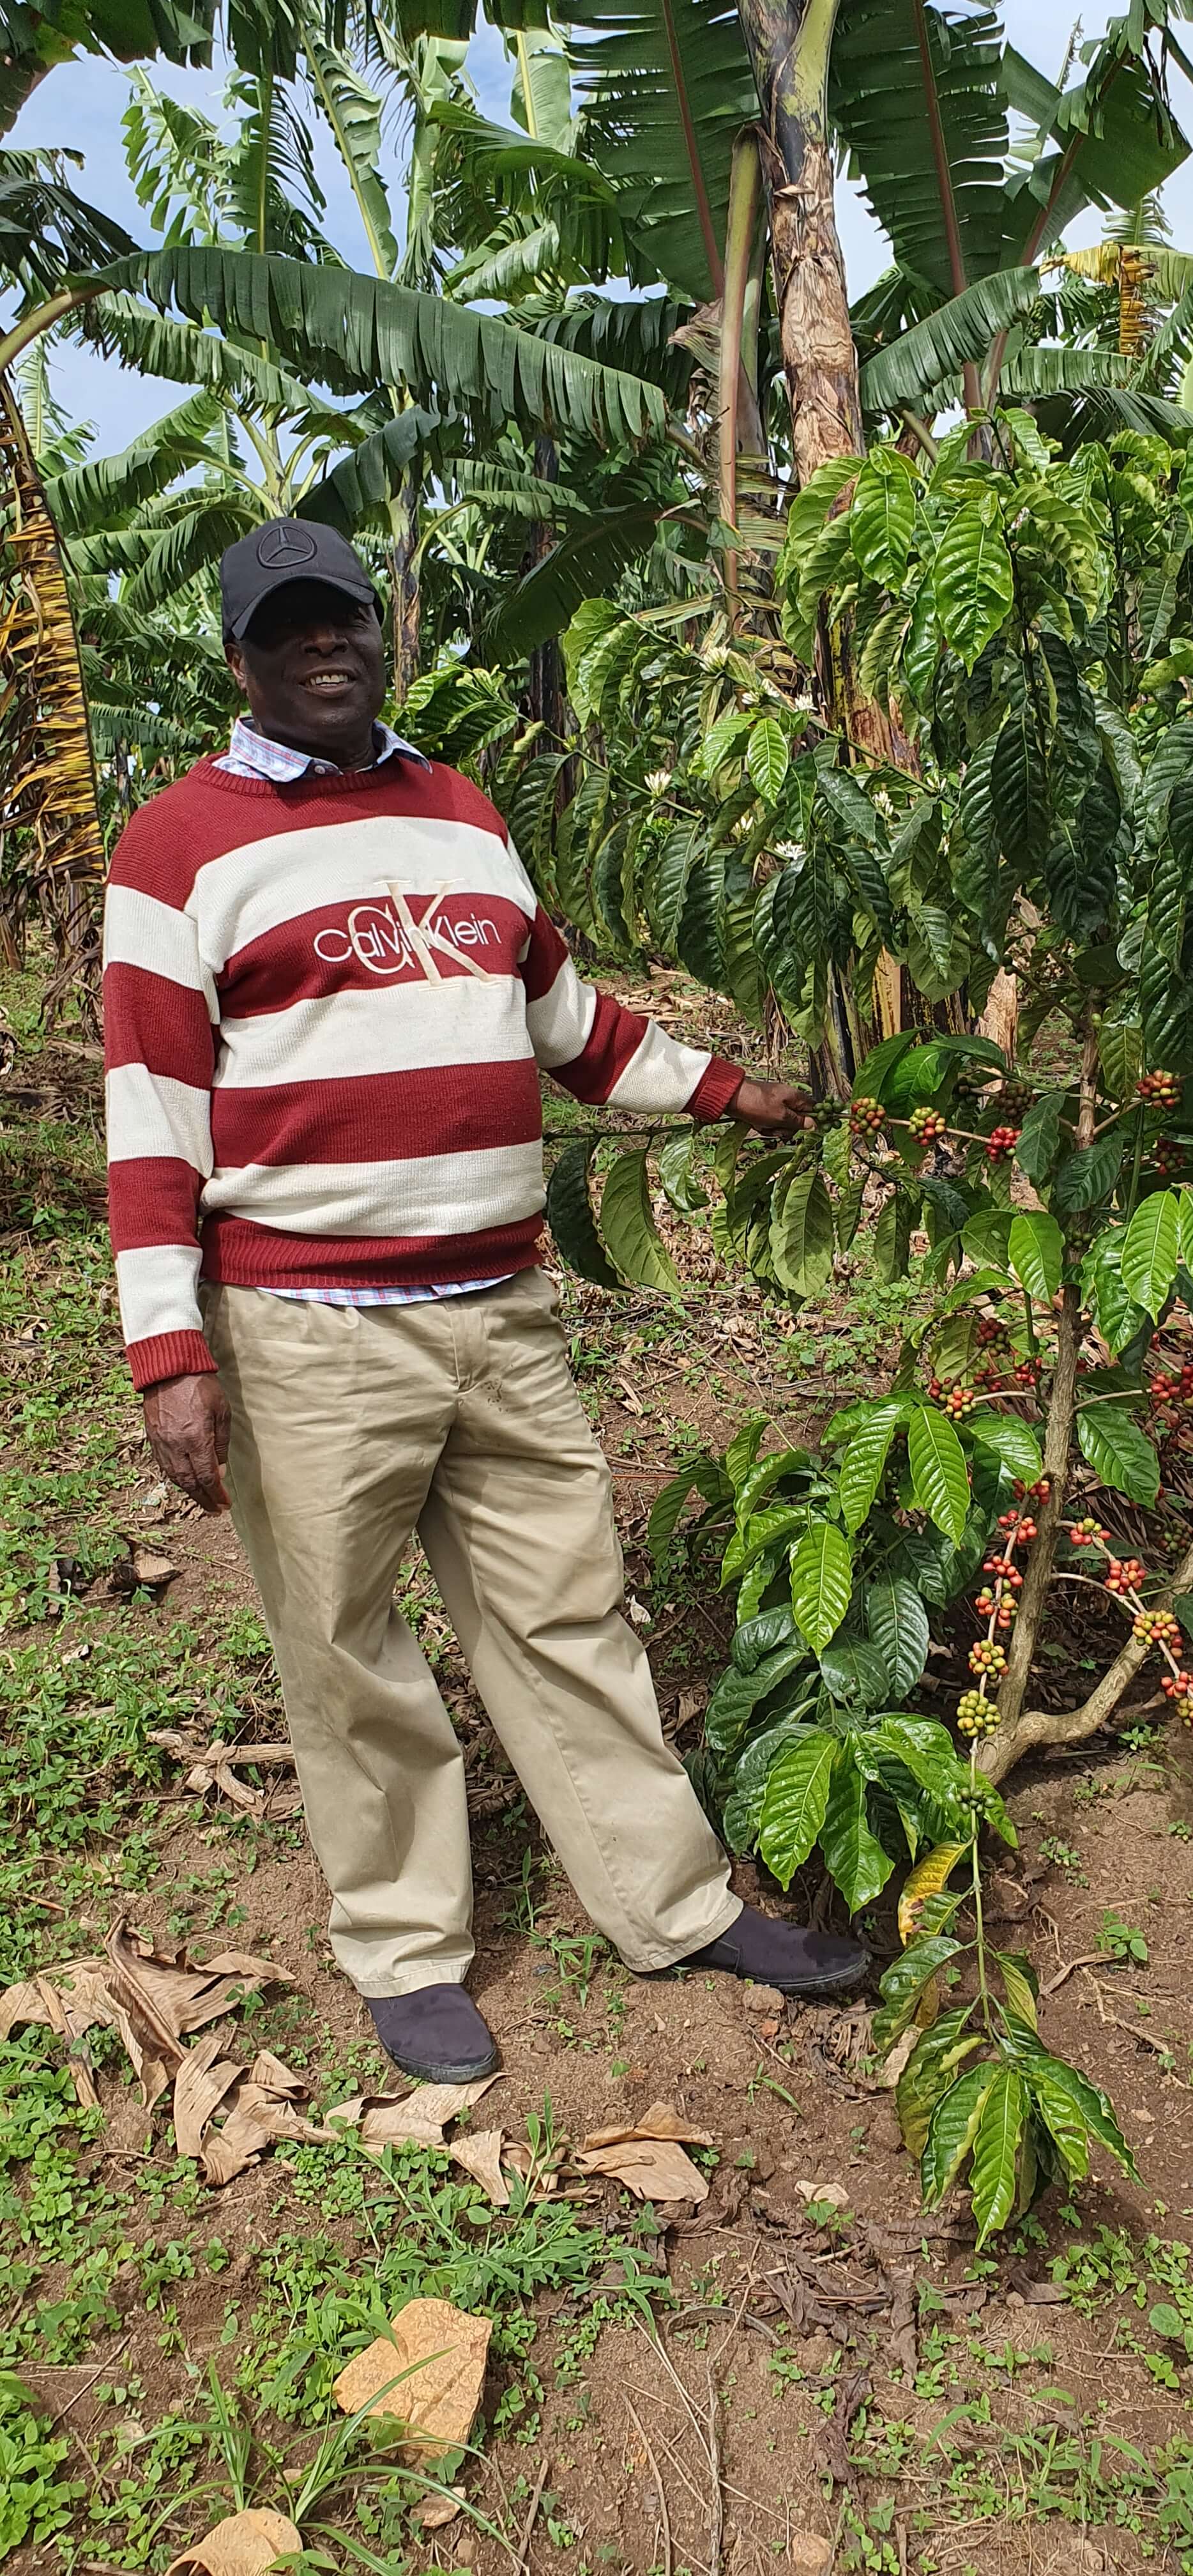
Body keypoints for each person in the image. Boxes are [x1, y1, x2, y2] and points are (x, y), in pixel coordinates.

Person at [102, 519, 867, 2083]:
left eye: (347, 624)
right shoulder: (178, 845)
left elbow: (568, 1023)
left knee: (569, 1608)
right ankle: (403, 1942)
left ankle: (671, 1902)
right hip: (313, 1328)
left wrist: (727, 1093)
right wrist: (170, 1352)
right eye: (290, 629)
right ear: (240, 658)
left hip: (501, 1310)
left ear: (382, 634)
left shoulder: (462, 810)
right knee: (348, 1646)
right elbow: (149, 1116)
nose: (327, 649)